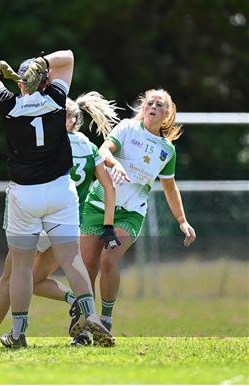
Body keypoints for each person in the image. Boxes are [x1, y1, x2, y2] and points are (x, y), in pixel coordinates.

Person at [0, 51, 115, 349]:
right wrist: (45, 63)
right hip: (61, 192)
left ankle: (18, 332)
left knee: (21, 268)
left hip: (25, 194)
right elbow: (70, 57)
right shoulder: (57, 99)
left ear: (21, 84)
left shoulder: (9, 105)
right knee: (71, 258)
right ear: (47, 80)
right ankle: (90, 315)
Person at [73, 88, 197, 341]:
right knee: (87, 267)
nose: (153, 106)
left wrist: (182, 221)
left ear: (167, 114)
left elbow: (170, 188)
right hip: (98, 205)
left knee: (109, 259)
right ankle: (85, 325)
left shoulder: (167, 150)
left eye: (159, 104)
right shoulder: (127, 129)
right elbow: (103, 150)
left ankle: (105, 319)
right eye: (149, 102)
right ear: (143, 107)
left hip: (130, 214)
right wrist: (114, 162)